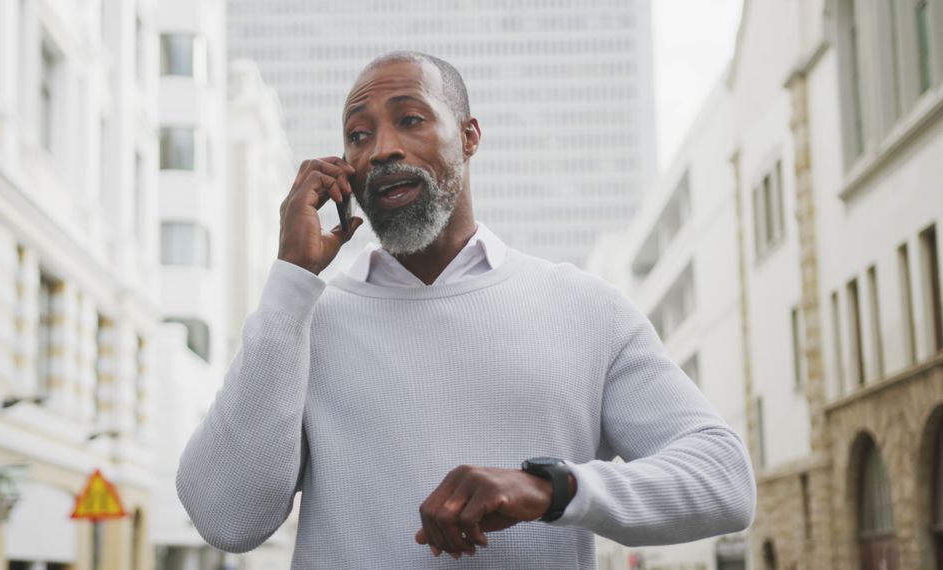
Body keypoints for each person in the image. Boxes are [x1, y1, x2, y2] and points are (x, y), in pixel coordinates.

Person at [177, 51, 755, 568]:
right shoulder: (305, 321)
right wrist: (291, 280)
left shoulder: (583, 307)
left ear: (469, 135)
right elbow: (227, 519)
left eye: (410, 119)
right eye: (357, 135)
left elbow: (725, 482)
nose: (381, 150)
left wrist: (550, 490)